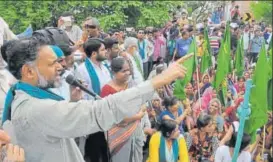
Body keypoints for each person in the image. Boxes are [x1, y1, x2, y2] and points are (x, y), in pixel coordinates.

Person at [1, 38, 192, 162]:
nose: (60, 68)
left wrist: (73, 104)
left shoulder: (25, 97)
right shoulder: (34, 109)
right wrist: (159, 81)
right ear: (28, 71)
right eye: (52, 63)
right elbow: (98, 111)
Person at [100, 57, 153, 162]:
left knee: (136, 156)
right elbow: (113, 117)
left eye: (128, 70)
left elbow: (141, 103)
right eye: (124, 71)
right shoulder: (107, 89)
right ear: (114, 72)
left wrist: (138, 113)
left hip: (136, 129)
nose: (128, 73)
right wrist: (137, 116)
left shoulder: (132, 84)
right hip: (119, 132)